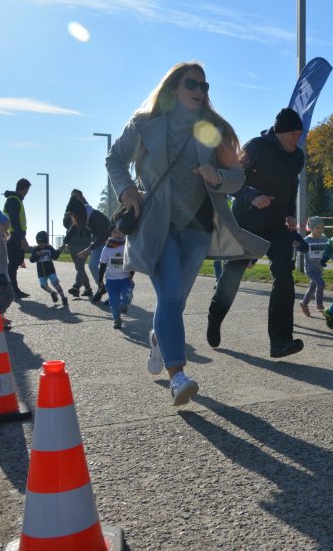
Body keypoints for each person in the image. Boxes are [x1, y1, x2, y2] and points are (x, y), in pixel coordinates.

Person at [106, 61, 268, 406]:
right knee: (171, 297)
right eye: (192, 84)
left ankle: (158, 339)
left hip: (197, 228)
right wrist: (126, 191)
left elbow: (237, 177)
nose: (199, 91)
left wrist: (218, 178)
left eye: (204, 87)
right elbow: (114, 160)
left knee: (174, 301)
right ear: (173, 89)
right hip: (157, 224)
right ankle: (178, 376)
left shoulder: (211, 129)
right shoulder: (145, 125)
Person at [206, 107, 306, 359]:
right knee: (234, 274)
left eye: (299, 134)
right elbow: (231, 181)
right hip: (246, 223)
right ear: (280, 132)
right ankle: (215, 316)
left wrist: (291, 212)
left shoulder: (297, 157)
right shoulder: (255, 147)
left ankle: (280, 341)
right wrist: (253, 196)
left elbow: (292, 185)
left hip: (275, 225)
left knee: (284, 272)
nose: (297, 139)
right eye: (293, 134)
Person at [66, 195, 112, 289]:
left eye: (73, 215)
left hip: (111, 242)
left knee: (110, 269)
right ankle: (102, 287)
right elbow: (73, 228)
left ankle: (114, 291)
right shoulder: (83, 216)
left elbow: (104, 236)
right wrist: (64, 243)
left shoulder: (96, 216)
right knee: (92, 266)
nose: (73, 218)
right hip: (99, 242)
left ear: (79, 213)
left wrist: (88, 249)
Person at [95, 225, 133, 329]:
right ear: (110, 234)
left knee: (127, 298)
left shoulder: (128, 246)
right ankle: (117, 319)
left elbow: (132, 262)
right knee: (113, 301)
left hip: (125, 279)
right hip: (111, 280)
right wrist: (100, 281)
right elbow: (102, 265)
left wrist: (131, 276)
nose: (118, 234)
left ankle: (124, 304)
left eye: (120, 231)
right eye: (115, 232)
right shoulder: (106, 249)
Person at [2, 177, 31, 298]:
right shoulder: (13, 200)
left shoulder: (16, 199)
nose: (27, 193)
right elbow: (15, 221)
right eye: (27, 190)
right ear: (24, 189)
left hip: (16, 235)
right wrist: (22, 238)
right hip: (14, 236)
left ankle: (12, 289)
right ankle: (13, 290)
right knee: (13, 265)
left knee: (16, 263)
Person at [29, 230, 68, 307]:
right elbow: (31, 260)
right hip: (41, 272)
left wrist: (60, 250)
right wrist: (37, 255)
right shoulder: (36, 249)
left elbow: (55, 256)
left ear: (46, 241)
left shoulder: (49, 248)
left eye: (43, 242)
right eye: (39, 243)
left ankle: (63, 297)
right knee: (43, 285)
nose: (41, 244)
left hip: (50, 270)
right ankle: (53, 293)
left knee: (55, 284)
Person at [298, 216, 328, 315]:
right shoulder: (306, 240)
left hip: (319, 269)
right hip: (310, 270)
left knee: (312, 288)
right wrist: (298, 246)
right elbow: (299, 248)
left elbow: (329, 250)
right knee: (321, 283)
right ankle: (319, 305)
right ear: (311, 228)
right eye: (317, 227)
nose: (320, 229)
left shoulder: (324, 238)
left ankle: (304, 303)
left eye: (322, 227)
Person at [59, 210, 93, 297]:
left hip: (83, 244)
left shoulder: (86, 211)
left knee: (80, 266)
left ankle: (76, 287)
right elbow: (66, 225)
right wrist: (65, 217)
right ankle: (88, 288)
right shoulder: (70, 212)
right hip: (72, 244)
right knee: (79, 267)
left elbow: (90, 227)